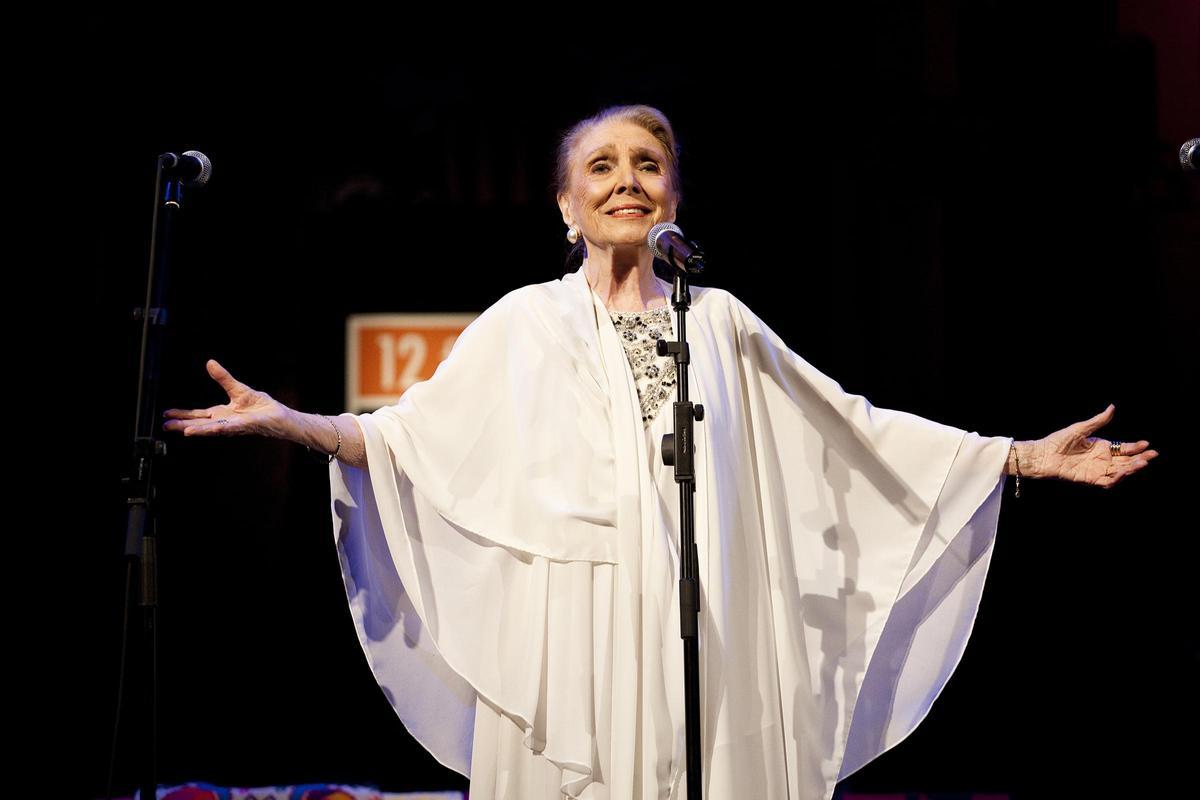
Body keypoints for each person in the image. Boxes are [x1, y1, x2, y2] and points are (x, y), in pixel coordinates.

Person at [163, 104, 1158, 800]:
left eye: (647, 164)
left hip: (700, 635)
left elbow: (847, 426)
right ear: (563, 205)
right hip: (572, 638)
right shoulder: (521, 322)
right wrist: (287, 418)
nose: (626, 180)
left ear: (674, 194)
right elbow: (398, 439)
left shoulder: (719, 320)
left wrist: (1019, 458)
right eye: (601, 165)